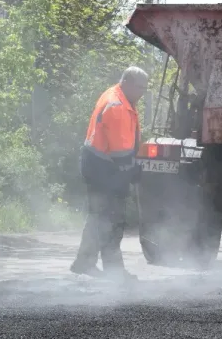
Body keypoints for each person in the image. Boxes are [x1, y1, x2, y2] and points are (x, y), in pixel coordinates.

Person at [71, 66, 148, 282]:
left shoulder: (118, 96)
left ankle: (84, 263)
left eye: (145, 88)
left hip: (98, 164)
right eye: (140, 87)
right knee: (112, 218)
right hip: (105, 168)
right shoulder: (118, 106)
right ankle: (112, 271)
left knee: (100, 216)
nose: (142, 92)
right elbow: (121, 153)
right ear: (127, 83)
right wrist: (132, 170)